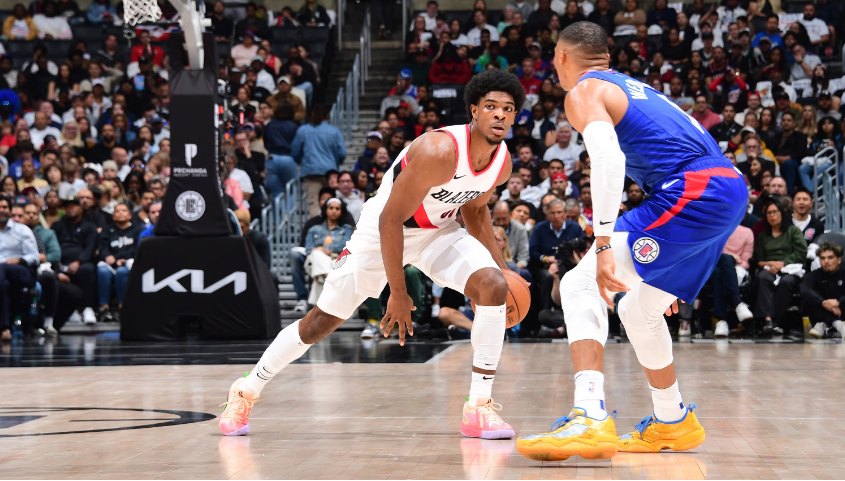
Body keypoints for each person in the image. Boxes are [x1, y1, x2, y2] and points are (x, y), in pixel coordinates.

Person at [219, 70, 526, 441]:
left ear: (514, 116)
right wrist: (398, 292)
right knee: (320, 322)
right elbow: (390, 220)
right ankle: (246, 390)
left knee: (493, 286)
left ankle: (478, 406)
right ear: (474, 110)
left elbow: (475, 211)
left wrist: (503, 269)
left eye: (508, 108)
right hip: (382, 232)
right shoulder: (440, 150)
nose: (499, 114)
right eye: (491, 106)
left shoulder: (502, 162)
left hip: (438, 232)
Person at [516, 22, 748, 461]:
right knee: (638, 309)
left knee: (580, 283)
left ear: (561, 57)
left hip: (694, 189)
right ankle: (673, 420)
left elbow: (609, 159)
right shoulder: (633, 87)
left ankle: (589, 416)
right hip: (725, 188)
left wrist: (603, 242)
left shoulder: (583, 90)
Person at [752, 197, 807, 335]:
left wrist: (783, 264)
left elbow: (801, 252)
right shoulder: (763, 236)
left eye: (775, 212)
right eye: (769, 213)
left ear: (781, 213)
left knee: (786, 282)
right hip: (769, 268)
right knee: (763, 278)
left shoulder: (793, 231)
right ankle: (767, 319)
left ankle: (774, 322)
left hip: (790, 268)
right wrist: (772, 264)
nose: (772, 215)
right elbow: (758, 260)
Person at [291, 106, 347, 217]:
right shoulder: (334, 131)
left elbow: (295, 152)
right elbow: (342, 153)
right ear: (327, 116)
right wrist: (336, 162)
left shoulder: (303, 130)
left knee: (314, 203)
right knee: (333, 202)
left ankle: (316, 227)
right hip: (331, 172)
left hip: (311, 171)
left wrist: (302, 161)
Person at [51, 196, 98, 324]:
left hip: (82, 261)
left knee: (88, 270)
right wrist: (56, 260)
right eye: (68, 206)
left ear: (81, 208)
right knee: (54, 271)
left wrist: (78, 261)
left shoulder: (89, 226)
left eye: (74, 206)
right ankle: (70, 311)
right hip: (61, 261)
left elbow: (90, 247)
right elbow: (52, 245)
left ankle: (88, 308)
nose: (71, 209)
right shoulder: (57, 226)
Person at [0, 195, 39, 341]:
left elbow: (34, 257)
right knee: (3, 284)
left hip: (22, 272)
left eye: (5, 207)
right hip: (2, 276)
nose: (1, 210)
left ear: (10, 210)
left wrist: (18, 260)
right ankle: (5, 329)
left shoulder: (22, 230)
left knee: (3, 268)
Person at [96, 203, 142, 322]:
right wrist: (108, 256)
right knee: (102, 271)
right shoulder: (107, 229)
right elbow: (102, 247)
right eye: (117, 211)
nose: (121, 213)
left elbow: (137, 249)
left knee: (122, 271)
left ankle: (123, 307)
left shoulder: (137, 230)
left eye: (124, 210)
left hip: (129, 263)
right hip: (110, 263)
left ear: (130, 215)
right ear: (113, 216)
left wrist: (122, 259)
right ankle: (104, 308)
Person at [803, 242, 844, 339]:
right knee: (811, 297)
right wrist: (823, 303)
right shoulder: (814, 275)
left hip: (842, 311)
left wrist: (839, 302)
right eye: (822, 258)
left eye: (830, 257)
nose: (826, 261)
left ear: (839, 259)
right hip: (822, 312)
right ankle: (838, 324)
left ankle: (823, 325)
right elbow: (804, 290)